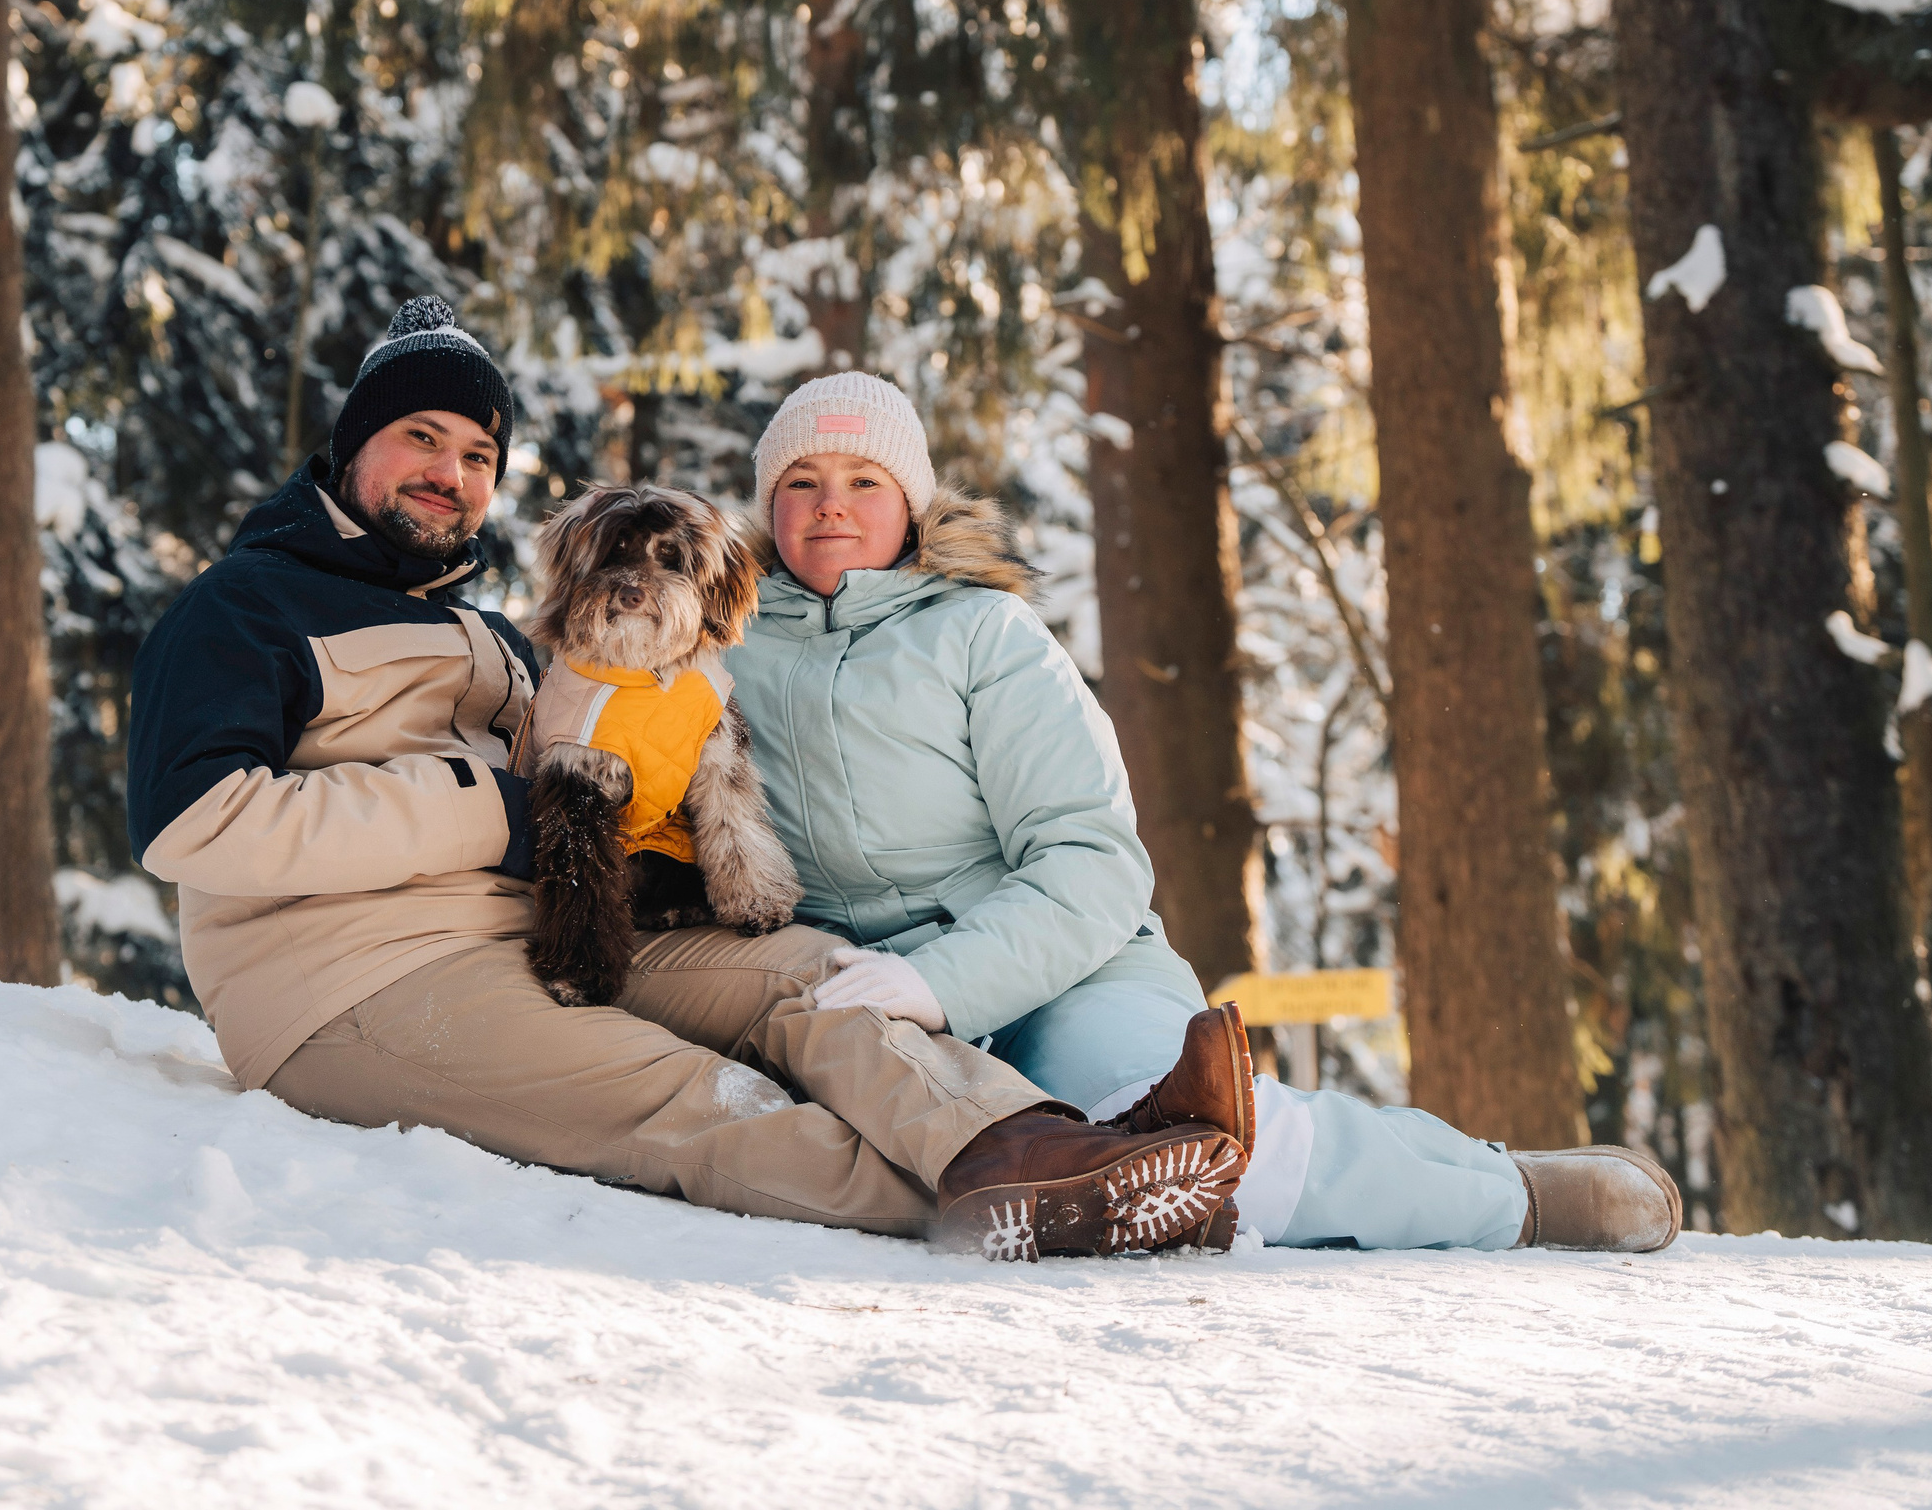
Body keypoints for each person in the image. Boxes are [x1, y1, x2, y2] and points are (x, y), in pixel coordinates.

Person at [125, 297, 1246, 1261]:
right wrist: (489, 813)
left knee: (811, 974)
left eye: (476, 456)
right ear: (351, 444)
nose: (449, 475)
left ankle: (1050, 1145)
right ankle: (1045, 1203)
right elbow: (192, 823)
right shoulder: (246, 605)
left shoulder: (490, 632)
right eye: (421, 438)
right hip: (350, 983)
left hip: (542, 928)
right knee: (683, 1093)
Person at [727, 371, 1681, 1253]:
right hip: (867, 1012)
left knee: (1206, 1149)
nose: (831, 504)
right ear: (770, 507)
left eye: (864, 479)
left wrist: (940, 980)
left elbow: (1091, 859)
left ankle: (1511, 1194)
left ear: (912, 503)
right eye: (802, 482)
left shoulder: (985, 634)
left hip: (1068, 978)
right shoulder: (721, 648)